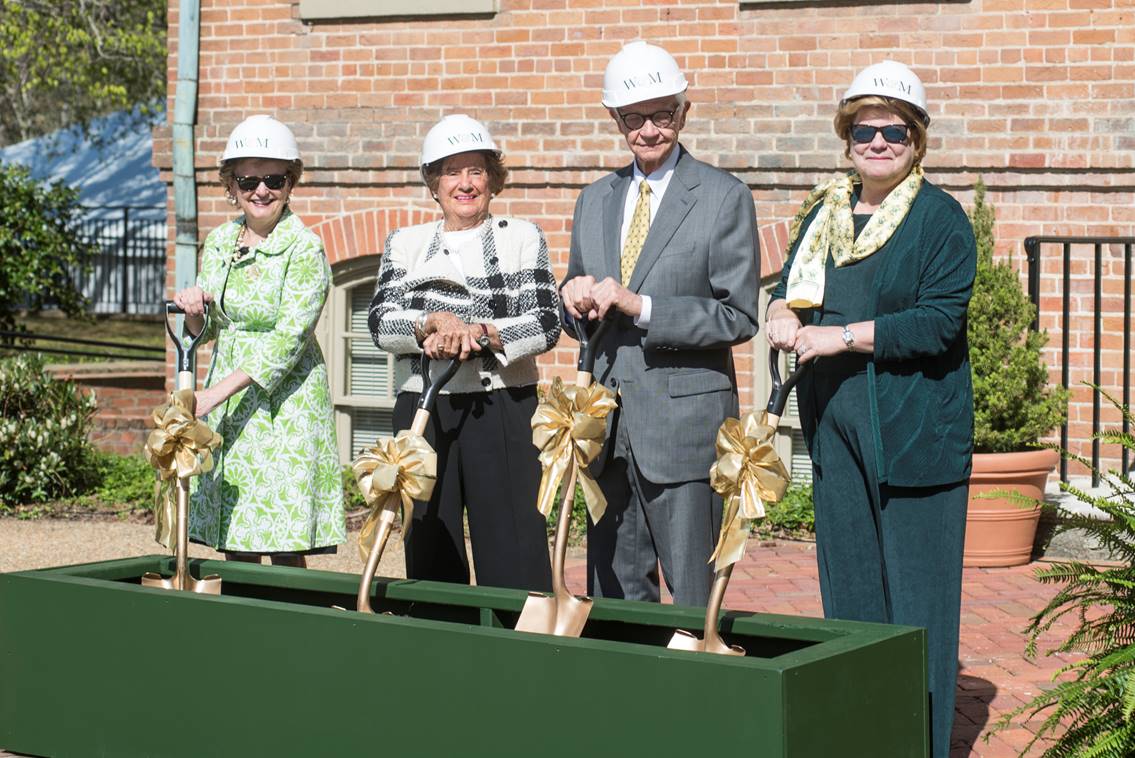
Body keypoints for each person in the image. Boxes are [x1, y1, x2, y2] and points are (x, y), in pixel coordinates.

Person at [764, 61, 976, 758]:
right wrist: (776, 312)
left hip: (913, 440)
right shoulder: (825, 212)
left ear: (916, 140)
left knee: (916, 616)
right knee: (851, 607)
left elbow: (937, 323)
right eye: (864, 129)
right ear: (846, 136)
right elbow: (792, 290)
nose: (877, 142)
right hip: (837, 437)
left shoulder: (938, 219)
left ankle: (919, 746)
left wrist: (842, 336)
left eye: (893, 130)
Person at [560, 41, 761, 607]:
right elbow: (580, 312)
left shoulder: (723, 197)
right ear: (615, 119)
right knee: (615, 591)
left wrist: (640, 306)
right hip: (605, 429)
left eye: (662, 114)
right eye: (633, 117)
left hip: (685, 426)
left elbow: (738, 314)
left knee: (695, 594)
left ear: (684, 111)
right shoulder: (594, 199)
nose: (648, 129)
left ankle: (699, 692)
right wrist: (571, 299)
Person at [368, 114, 559, 592]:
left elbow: (546, 322)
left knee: (515, 549)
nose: (465, 183)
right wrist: (426, 325)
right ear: (433, 183)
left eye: (476, 170)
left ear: (493, 179)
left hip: (504, 407)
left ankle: (518, 654)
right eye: (451, 172)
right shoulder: (405, 244)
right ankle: (441, 655)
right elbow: (379, 322)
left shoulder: (523, 236)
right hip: (424, 412)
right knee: (431, 547)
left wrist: (480, 333)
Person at [173, 114, 346, 568]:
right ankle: (242, 632)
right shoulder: (219, 242)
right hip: (231, 406)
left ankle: (300, 633)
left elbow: (290, 338)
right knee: (237, 531)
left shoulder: (305, 248)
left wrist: (214, 393)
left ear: (291, 184)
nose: (261, 190)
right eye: (248, 179)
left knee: (285, 539)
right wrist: (195, 311)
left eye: (273, 179)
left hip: (285, 405)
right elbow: (207, 330)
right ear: (231, 185)